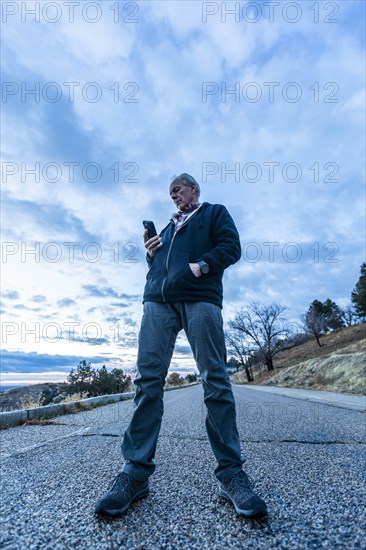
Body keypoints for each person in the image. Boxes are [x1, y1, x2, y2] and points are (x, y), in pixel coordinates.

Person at [95, 173, 267, 519]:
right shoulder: (168, 229)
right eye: (170, 192)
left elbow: (231, 247)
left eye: (178, 189)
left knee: (215, 378)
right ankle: (135, 472)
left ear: (193, 189)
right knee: (147, 382)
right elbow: (160, 267)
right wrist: (151, 256)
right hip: (158, 302)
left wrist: (202, 265)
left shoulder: (213, 213)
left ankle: (231, 472)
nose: (173, 195)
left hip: (200, 297)